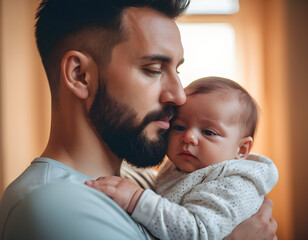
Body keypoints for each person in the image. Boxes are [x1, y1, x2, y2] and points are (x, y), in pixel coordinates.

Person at [0, 0, 277, 239]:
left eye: (177, 70)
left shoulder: (146, 180)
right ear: (80, 75)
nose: (179, 96)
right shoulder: (54, 206)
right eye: (154, 69)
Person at [86, 77, 279, 240]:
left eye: (208, 132)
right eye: (179, 127)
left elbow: (197, 231)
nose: (188, 137)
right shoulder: (179, 166)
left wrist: (137, 200)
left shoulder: (233, 185)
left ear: (242, 149)